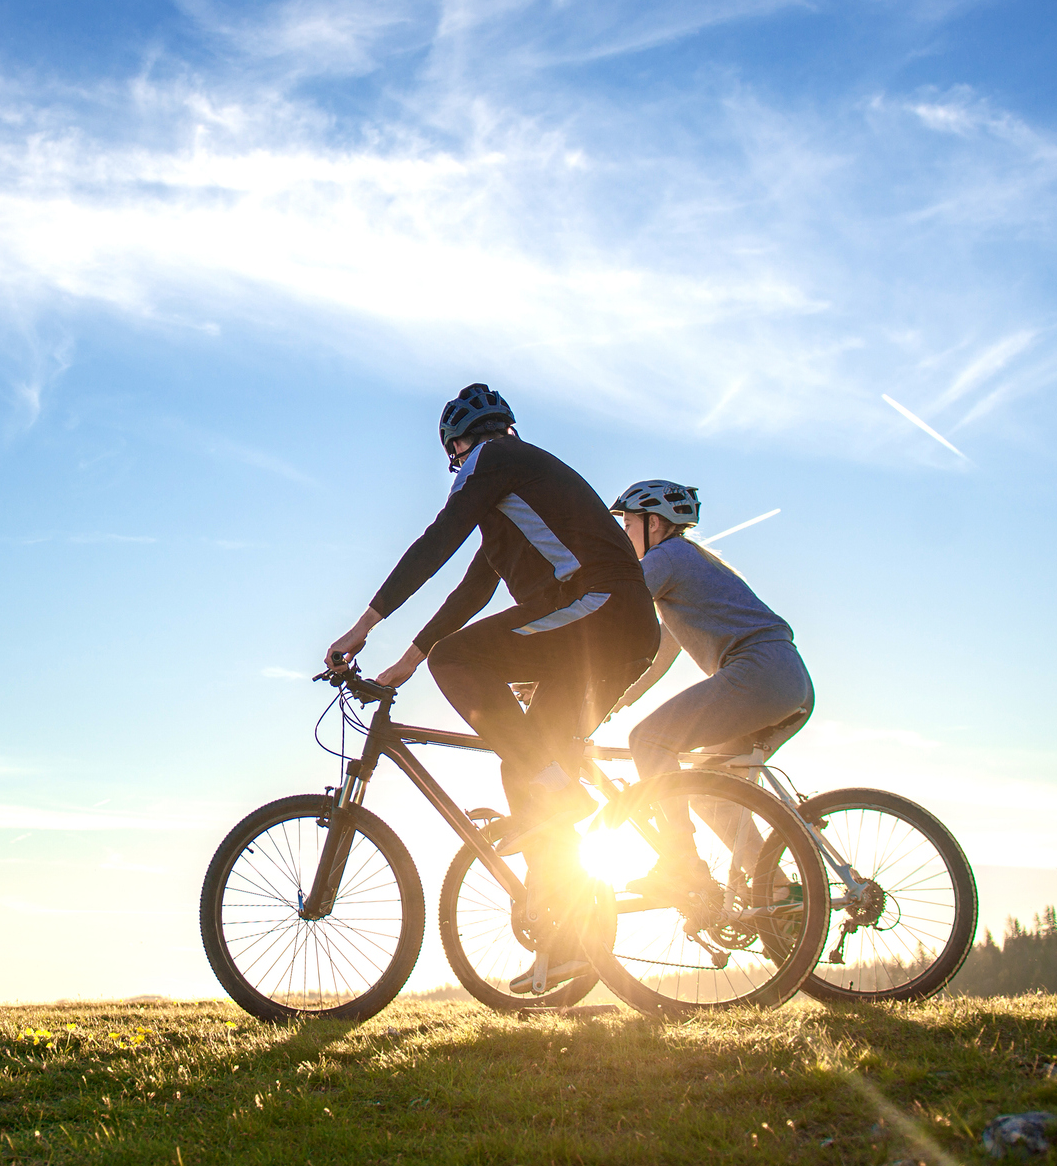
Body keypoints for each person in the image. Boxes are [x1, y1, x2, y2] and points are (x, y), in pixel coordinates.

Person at [325, 385, 661, 967]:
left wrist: (362, 627)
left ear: (458, 446)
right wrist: (406, 661)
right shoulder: (518, 496)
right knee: (523, 768)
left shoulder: (491, 461)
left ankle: (563, 789)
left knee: (460, 664)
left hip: (601, 609)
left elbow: (437, 542)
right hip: (616, 628)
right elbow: (474, 587)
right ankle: (569, 943)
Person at [608, 479, 815, 892]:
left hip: (758, 672)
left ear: (654, 524)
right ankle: (775, 892)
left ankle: (679, 861)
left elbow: (614, 613)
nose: (623, 534)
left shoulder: (667, 556)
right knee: (707, 792)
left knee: (649, 741)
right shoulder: (685, 564)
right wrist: (611, 700)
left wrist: (554, 673)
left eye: (628, 523)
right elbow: (658, 657)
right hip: (787, 681)